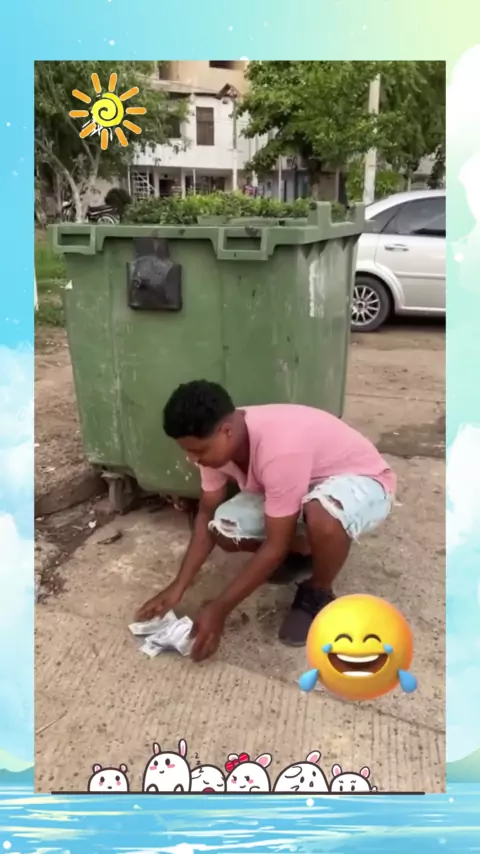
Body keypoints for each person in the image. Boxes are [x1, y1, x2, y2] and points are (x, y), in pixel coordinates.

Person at [136, 381, 396, 662]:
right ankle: (306, 553)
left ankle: (317, 591)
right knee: (225, 527)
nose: (192, 459)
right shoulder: (217, 437)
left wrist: (220, 608)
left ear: (226, 431)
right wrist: (178, 586)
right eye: (188, 451)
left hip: (362, 481)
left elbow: (275, 544)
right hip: (301, 481)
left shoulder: (280, 448)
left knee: (324, 515)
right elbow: (206, 513)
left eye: (199, 451)